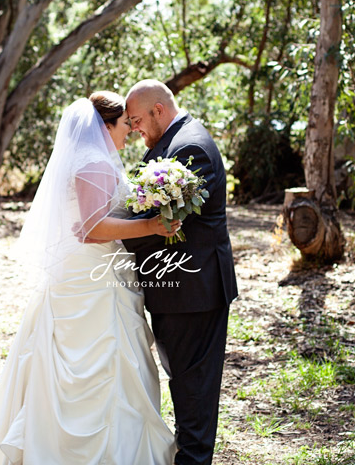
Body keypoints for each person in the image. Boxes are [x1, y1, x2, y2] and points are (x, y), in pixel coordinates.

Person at [0, 92, 178, 465]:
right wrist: (149, 224)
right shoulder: (94, 162)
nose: (128, 134)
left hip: (85, 275)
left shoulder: (88, 159)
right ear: (105, 125)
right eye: (124, 126)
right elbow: (90, 228)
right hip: (93, 281)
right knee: (105, 366)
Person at [122, 79, 238, 465]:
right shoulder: (168, 143)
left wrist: (105, 234)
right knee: (186, 388)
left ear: (158, 110)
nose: (134, 128)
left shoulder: (189, 147)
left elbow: (155, 219)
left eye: (137, 119)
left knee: (195, 394)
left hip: (195, 292)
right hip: (178, 291)